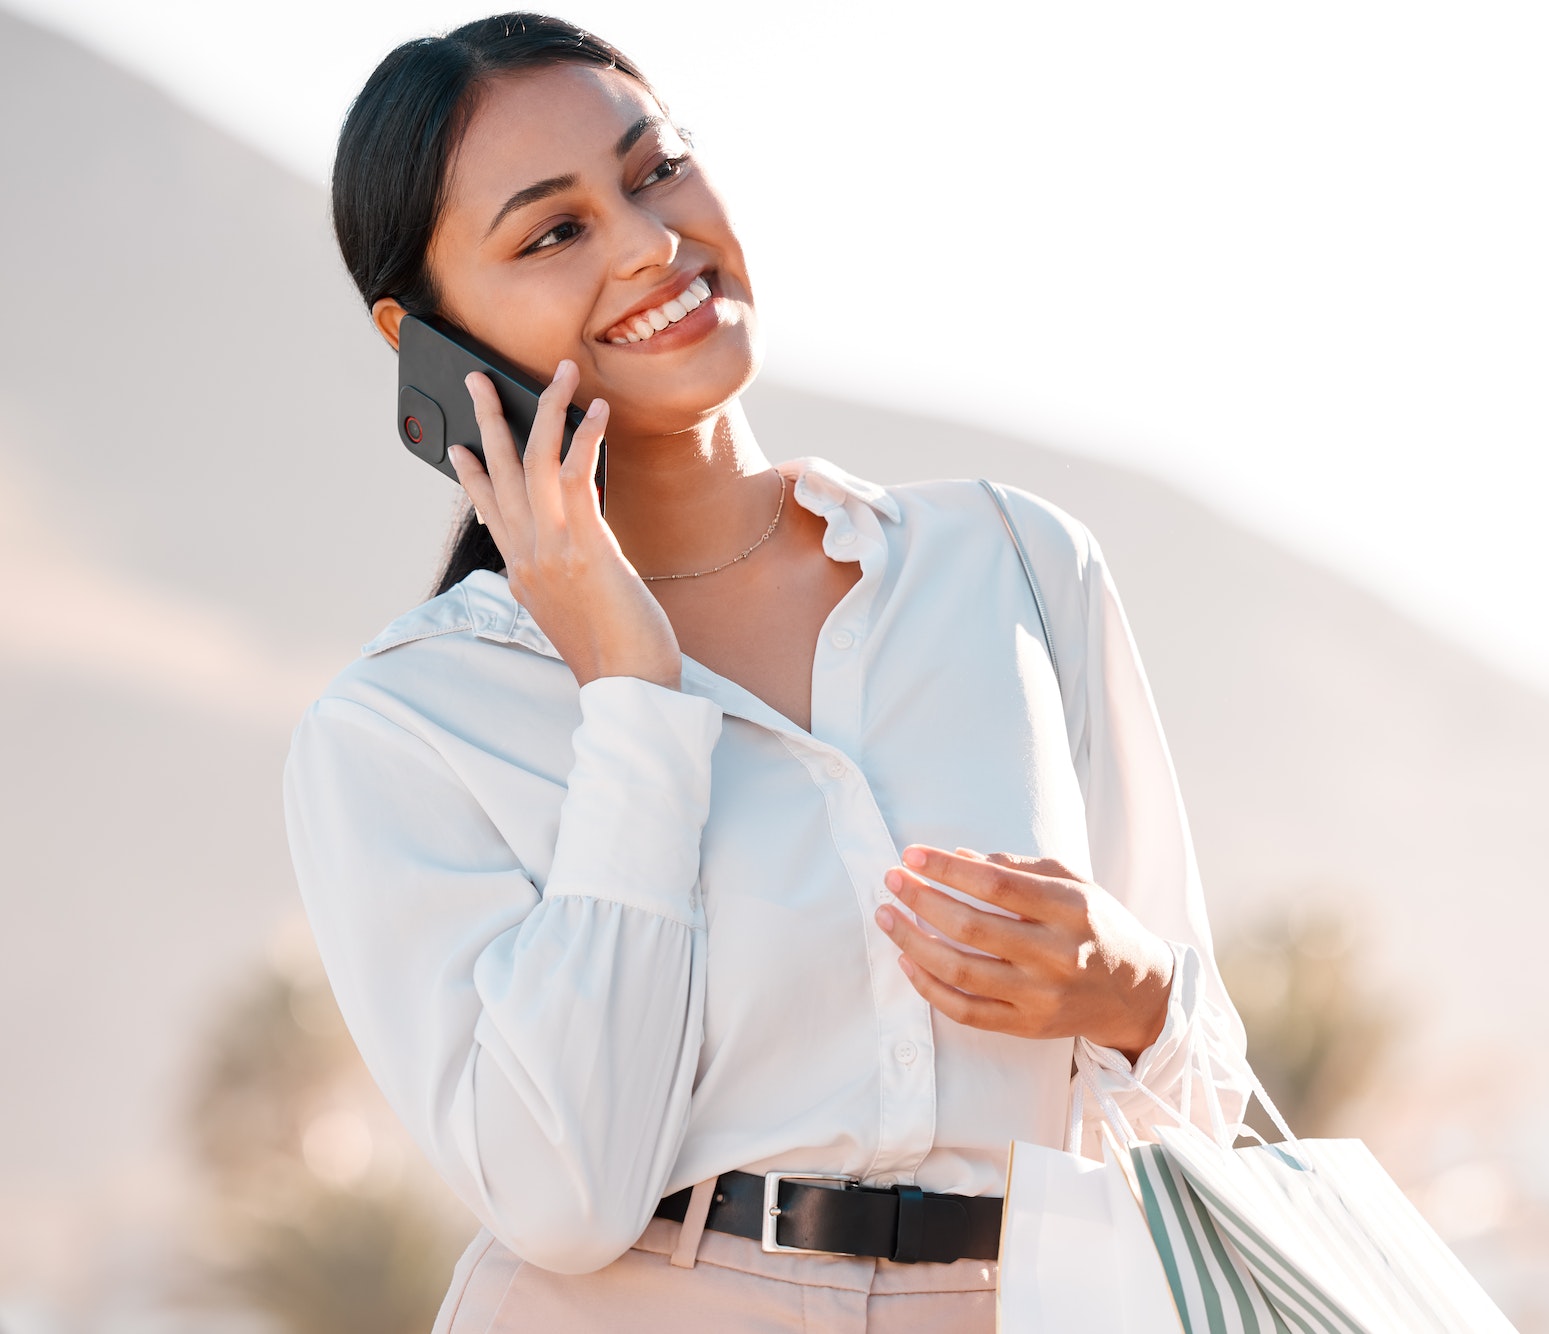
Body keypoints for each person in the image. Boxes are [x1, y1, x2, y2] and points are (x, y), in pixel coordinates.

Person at [286, 12, 1249, 1331]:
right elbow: (559, 1196)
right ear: (425, 338)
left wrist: (1133, 994)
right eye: (553, 231)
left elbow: (1211, 1121)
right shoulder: (410, 725)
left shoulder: (1013, 565)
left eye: (655, 169)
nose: (645, 243)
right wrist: (631, 692)